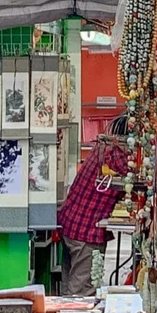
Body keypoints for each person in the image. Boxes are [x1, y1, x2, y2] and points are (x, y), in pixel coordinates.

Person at [56, 115, 131, 295]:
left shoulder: (104, 148)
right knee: (81, 293)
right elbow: (139, 181)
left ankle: (66, 310)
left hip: (71, 223)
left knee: (70, 287)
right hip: (85, 230)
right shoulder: (117, 156)